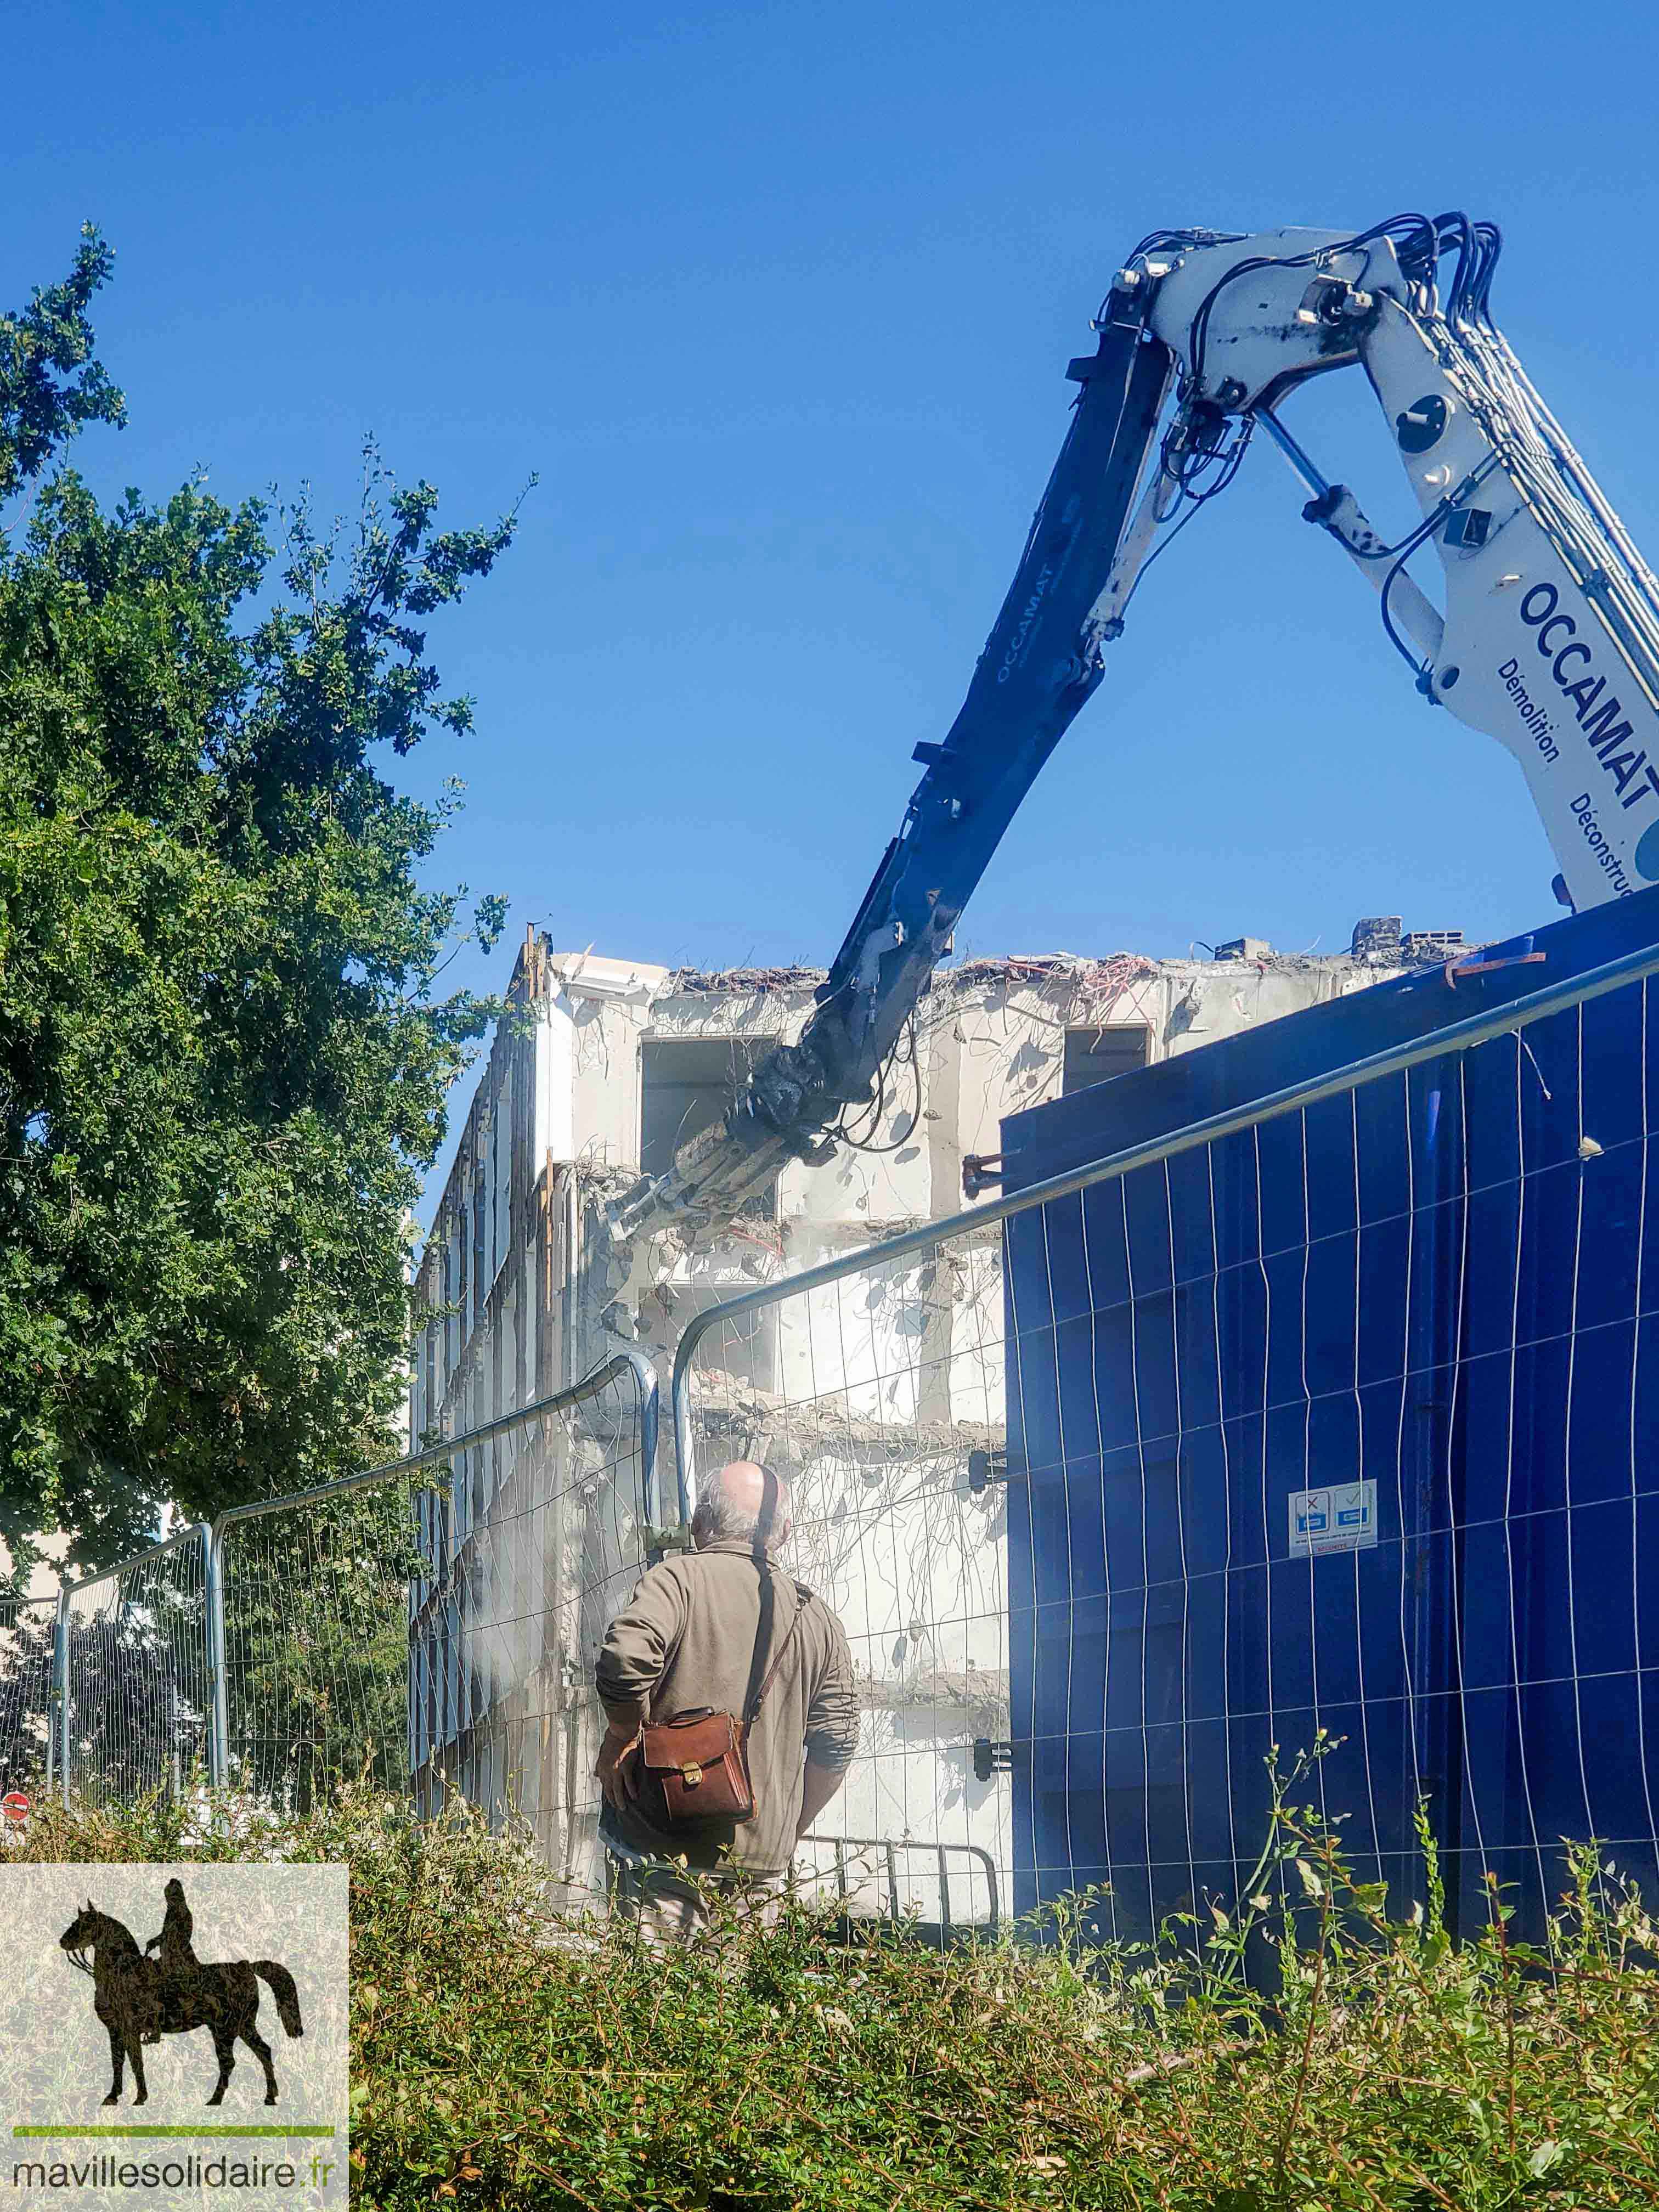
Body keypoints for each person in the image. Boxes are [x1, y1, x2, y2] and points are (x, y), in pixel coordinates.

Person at [594, 1458, 860, 1941]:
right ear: (785, 1533)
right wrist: (785, 1831)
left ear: (700, 1524)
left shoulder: (676, 1582)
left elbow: (625, 1660)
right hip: (757, 1875)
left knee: (647, 2011)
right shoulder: (817, 1617)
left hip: (660, 1851)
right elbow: (837, 1743)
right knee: (736, 2012)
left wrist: (621, 1734)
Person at [141, 1877, 199, 2043]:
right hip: (168, 1957)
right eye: (168, 1899)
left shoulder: (184, 1914)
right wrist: (156, 1941)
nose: (168, 1902)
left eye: (171, 1899)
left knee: (162, 1988)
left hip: (179, 1959)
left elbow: (182, 1938)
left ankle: (159, 2029)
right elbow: (166, 1934)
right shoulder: (171, 1914)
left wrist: (167, 1944)